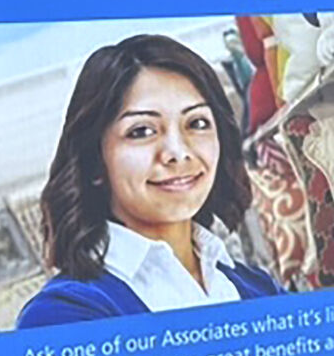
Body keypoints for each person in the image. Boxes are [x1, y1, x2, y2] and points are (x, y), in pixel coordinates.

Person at [17, 34, 281, 327]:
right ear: (94, 162)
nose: (178, 154)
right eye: (141, 131)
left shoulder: (259, 288)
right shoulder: (64, 316)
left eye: (196, 123)